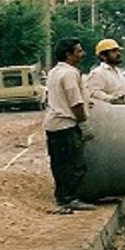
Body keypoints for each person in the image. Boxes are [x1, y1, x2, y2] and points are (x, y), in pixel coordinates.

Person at [43, 37, 97, 213]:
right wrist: (83, 123)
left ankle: (62, 197)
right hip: (66, 125)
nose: (82, 54)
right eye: (79, 51)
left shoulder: (54, 72)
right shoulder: (70, 74)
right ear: (69, 54)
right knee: (74, 164)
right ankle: (69, 199)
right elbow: (75, 102)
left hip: (53, 125)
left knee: (59, 164)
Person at [85, 38, 125, 106]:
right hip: (107, 112)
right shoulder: (98, 73)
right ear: (103, 56)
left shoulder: (118, 72)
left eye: (118, 51)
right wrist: (113, 99)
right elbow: (94, 93)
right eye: (114, 51)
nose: (118, 53)